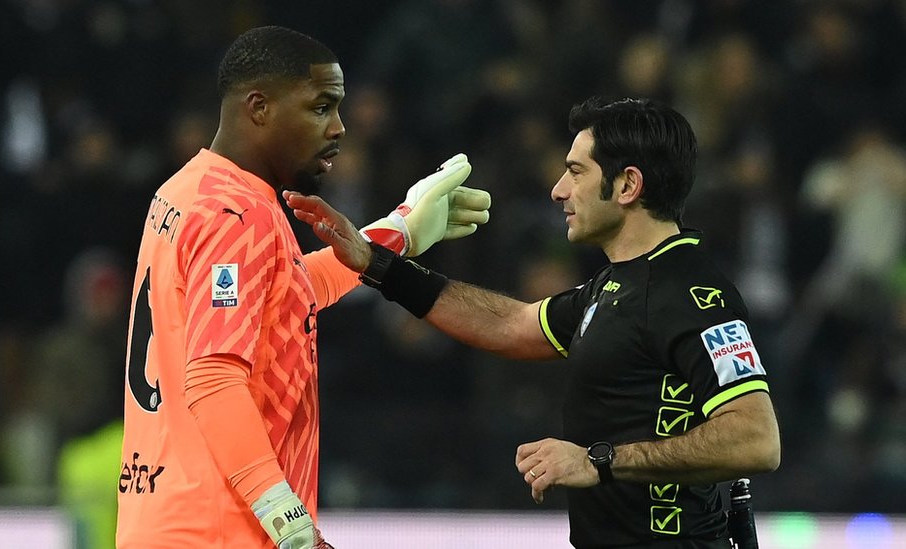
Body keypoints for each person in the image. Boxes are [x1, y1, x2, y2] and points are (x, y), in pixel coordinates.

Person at [285, 97, 782, 548]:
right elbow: (511, 324)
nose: (558, 190)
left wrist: (598, 460)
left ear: (628, 185)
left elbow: (756, 440)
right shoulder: (615, 287)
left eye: (576, 172)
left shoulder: (692, 295)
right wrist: (377, 263)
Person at [116, 26, 490, 549]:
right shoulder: (238, 214)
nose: (339, 127)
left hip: (167, 517)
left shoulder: (187, 190)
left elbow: (282, 294)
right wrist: (285, 518)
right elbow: (215, 377)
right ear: (260, 107)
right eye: (321, 107)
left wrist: (398, 232)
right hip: (223, 529)